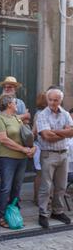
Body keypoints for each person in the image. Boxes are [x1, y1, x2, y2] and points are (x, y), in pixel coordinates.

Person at [0, 95, 36, 228]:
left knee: (16, 187)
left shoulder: (17, 119)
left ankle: (13, 212)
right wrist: (23, 149)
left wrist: (31, 148)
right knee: (6, 187)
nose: (17, 104)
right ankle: (1, 216)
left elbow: (25, 136)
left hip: (21, 158)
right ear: (9, 104)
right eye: (15, 102)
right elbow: (3, 139)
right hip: (7, 158)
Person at [37, 88, 73, 229]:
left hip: (63, 154)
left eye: (55, 100)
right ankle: (43, 213)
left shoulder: (65, 114)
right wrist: (65, 132)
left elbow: (72, 131)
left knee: (61, 186)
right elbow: (46, 136)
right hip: (48, 154)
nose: (52, 102)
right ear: (47, 100)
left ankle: (57, 211)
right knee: (46, 186)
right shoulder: (42, 115)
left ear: (60, 100)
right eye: (50, 100)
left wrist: (54, 131)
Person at [32, 92, 48, 205]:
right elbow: (35, 131)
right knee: (40, 173)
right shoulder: (41, 114)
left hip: (41, 145)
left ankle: (39, 198)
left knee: (41, 174)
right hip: (40, 146)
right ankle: (37, 198)